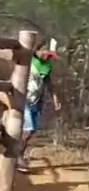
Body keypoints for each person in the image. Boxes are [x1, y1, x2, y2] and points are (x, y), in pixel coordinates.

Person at [17, 38, 61, 173]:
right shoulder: (28, 62)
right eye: (45, 53)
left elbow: (48, 83)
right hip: (24, 98)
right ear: (37, 50)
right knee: (28, 128)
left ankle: (18, 152)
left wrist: (55, 99)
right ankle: (17, 157)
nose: (47, 57)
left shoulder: (47, 65)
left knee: (32, 130)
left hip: (37, 100)